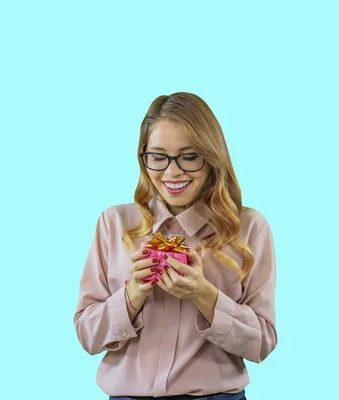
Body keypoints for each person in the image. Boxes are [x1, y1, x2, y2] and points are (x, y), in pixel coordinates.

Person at [74, 92, 277, 400]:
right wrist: (133, 295)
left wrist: (203, 293)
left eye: (189, 156)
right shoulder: (113, 223)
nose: (172, 172)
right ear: (143, 157)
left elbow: (261, 343)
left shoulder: (248, 228)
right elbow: (88, 337)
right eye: (158, 157)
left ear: (210, 157)